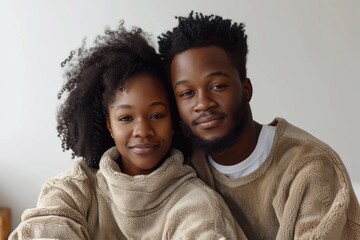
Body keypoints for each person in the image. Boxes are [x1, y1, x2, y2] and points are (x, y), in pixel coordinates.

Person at [9, 22, 247, 239]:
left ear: (173, 120)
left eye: (157, 115)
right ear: (109, 125)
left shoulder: (196, 204)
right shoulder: (76, 188)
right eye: (125, 117)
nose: (142, 130)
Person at [158, 11, 360, 239]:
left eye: (217, 86)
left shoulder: (309, 165)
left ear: (246, 89)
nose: (203, 104)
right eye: (187, 93)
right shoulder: (186, 167)